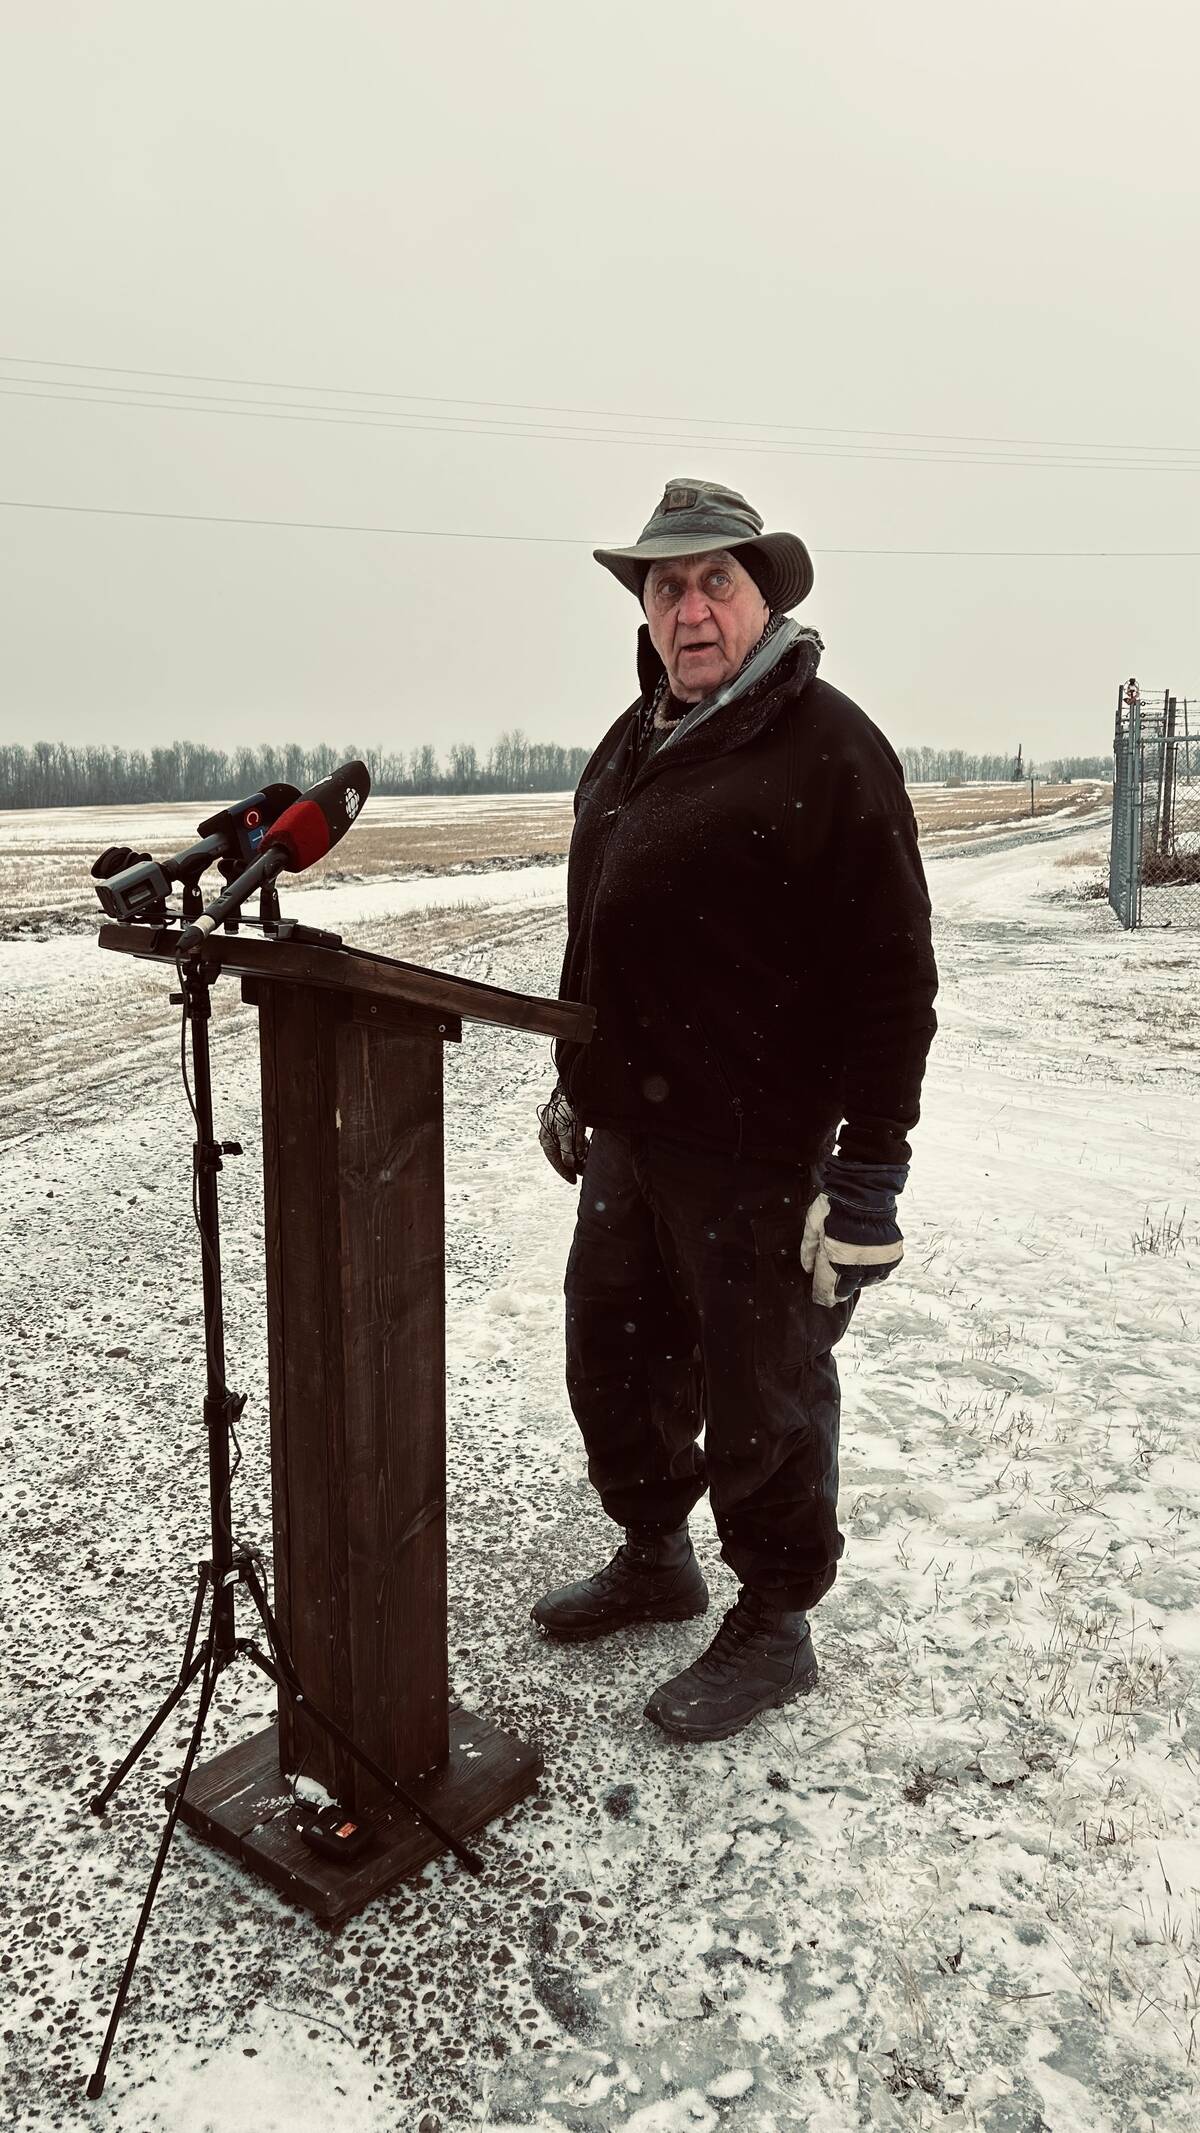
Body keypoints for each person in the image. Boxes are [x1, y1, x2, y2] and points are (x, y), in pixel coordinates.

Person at [534, 478, 938, 1743]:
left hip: (760, 1149)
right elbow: (597, 928)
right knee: (616, 1354)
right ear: (645, 613)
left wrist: (870, 1174)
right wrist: (572, 1074)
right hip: (632, 1134)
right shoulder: (631, 741)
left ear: (765, 598)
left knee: (762, 1390)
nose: (690, 608)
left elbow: (895, 978)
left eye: (716, 581)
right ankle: (656, 1552)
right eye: (666, 586)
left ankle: (775, 1623)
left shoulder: (828, 745)